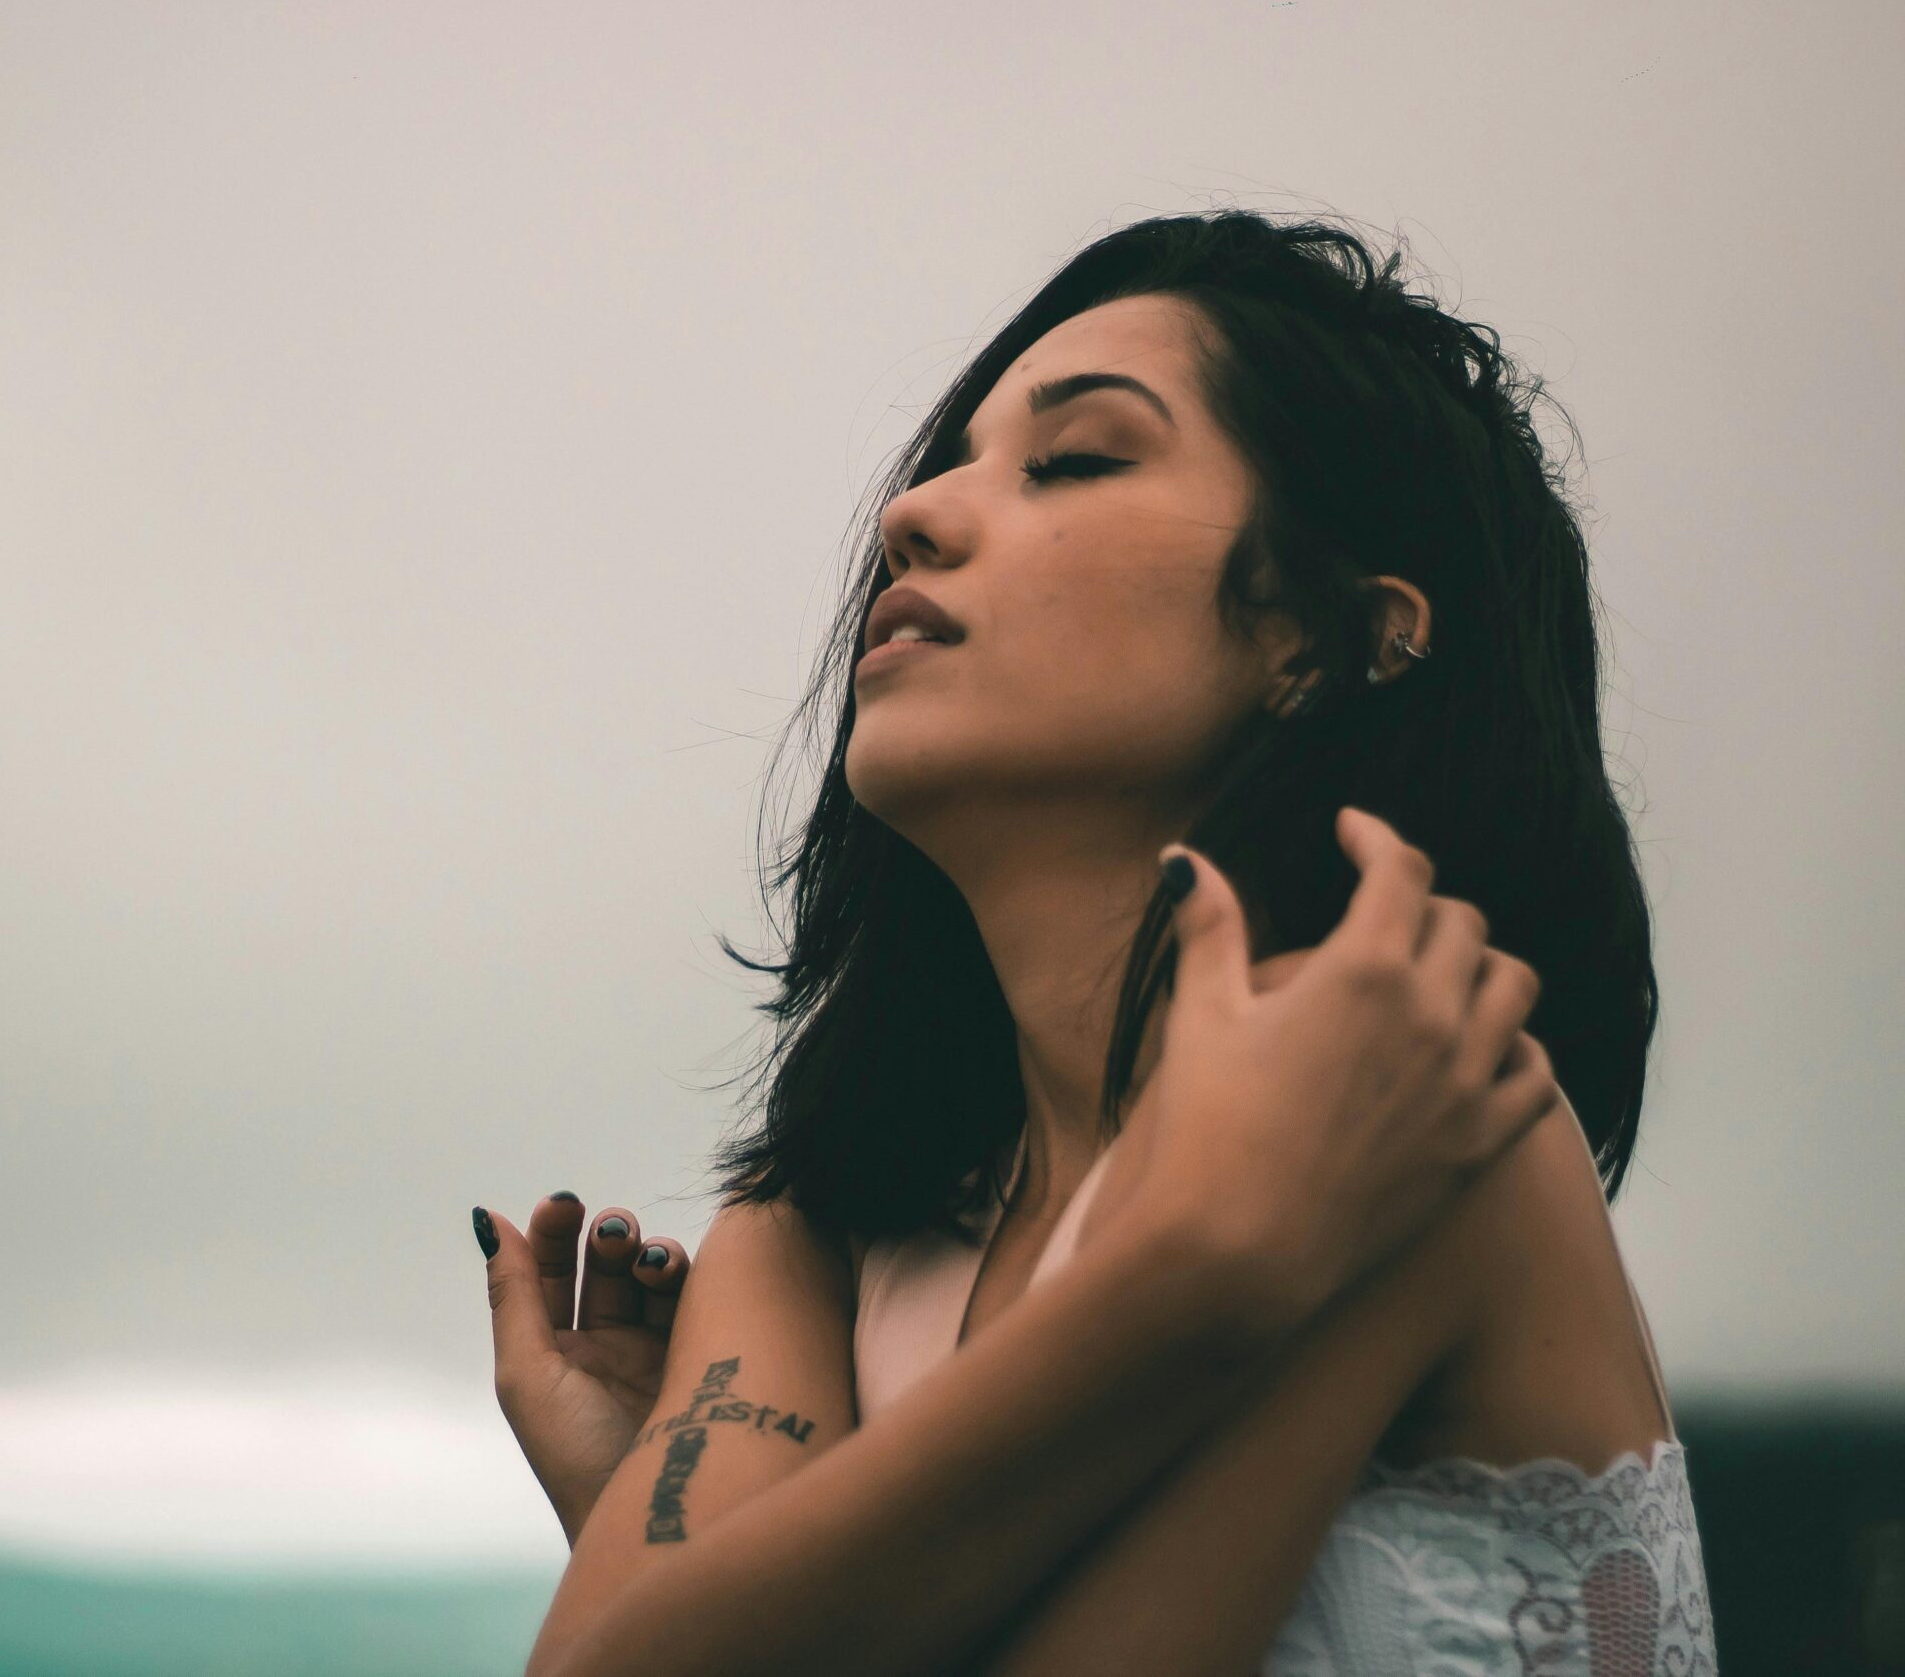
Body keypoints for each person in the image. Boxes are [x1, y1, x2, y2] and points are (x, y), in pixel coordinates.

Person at [472, 210, 1716, 1676]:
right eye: (956, 460)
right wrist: (1203, 1270)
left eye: (1072, 460)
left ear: (1322, 634)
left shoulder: (1407, 1100)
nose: (916, 514)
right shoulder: (818, 1229)